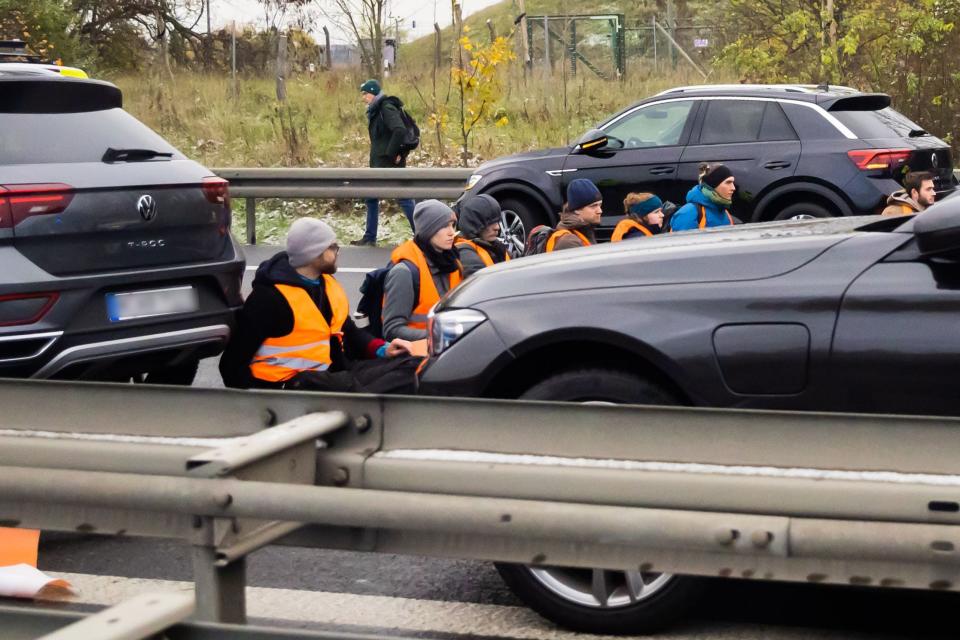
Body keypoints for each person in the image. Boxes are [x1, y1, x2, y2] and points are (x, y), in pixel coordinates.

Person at [219, 218, 420, 393]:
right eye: (332, 247)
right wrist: (261, 402)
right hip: (291, 388)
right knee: (351, 387)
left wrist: (383, 349)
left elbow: (348, 332)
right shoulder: (269, 298)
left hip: (333, 376)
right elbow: (231, 364)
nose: (338, 252)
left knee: (413, 366)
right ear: (314, 254)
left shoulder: (327, 284)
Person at [383, 200, 463, 341]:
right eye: (444, 226)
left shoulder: (452, 261)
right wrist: (439, 336)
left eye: (453, 225)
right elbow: (392, 329)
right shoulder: (404, 273)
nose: (452, 232)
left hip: (448, 351)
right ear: (428, 230)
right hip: (416, 357)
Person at [352, 79, 415, 247]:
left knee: (404, 199)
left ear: (373, 92)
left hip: (389, 164)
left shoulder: (385, 108)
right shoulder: (376, 110)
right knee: (371, 197)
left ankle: (422, 235)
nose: (364, 97)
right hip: (379, 163)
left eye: (365, 93)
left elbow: (399, 130)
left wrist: (392, 153)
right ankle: (369, 237)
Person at [669, 163, 736, 231]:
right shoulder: (688, 213)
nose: (733, 188)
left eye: (733, 182)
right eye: (728, 182)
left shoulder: (726, 213)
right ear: (713, 185)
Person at [456, 194, 511, 277]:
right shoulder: (464, 252)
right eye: (490, 223)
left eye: (497, 221)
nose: (497, 227)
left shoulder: (496, 246)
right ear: (474, 224)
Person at [546, 178, 602, 252]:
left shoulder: (584, 230)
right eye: (593, 206)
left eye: (600, 205)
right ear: (577, 210)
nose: (600, 211)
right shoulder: (569, 242)